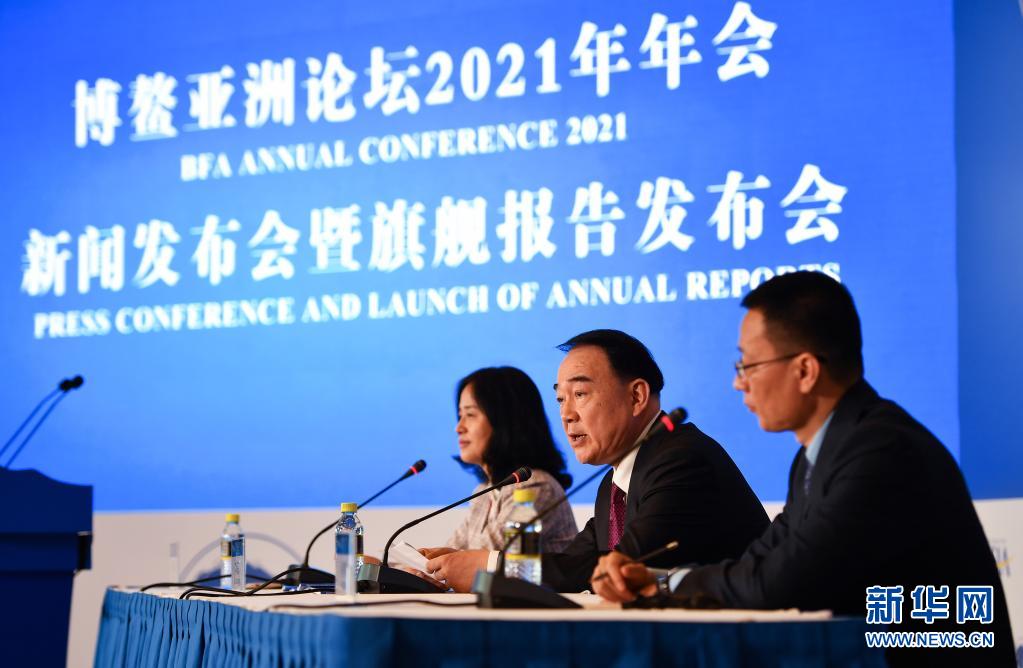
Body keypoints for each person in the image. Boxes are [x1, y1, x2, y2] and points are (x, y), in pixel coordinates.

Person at [592, 272, 1014, 667]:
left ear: (806, 370)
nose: (739, 382)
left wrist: (667, 585)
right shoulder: (821, 452)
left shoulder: (881, 452)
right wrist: (657, 580)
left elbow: (782, 582)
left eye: (748, 365)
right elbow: (762, 558)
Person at [426, 330, 769, 593]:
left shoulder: (680, 460)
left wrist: (489, 566)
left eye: (579, 394)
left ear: (636, 396)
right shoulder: (614, 481)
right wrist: (455, 564)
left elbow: (619, 565)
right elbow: (576, 562)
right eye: (560, 399)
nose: (567, 414)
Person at [411, 367, 577, 577]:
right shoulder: (484, 493)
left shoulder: (536, 487)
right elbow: (453, 554)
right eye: (460, 415)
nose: (459, 427)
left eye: (470, 415)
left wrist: (442, 563)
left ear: (505, 421)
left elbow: (486, 563)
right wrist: (395, 566)